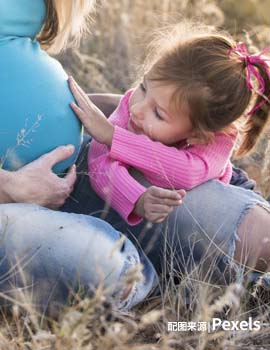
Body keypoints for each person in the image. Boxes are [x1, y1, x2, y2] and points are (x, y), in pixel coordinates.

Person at [62, 22, 270, 283]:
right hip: (164, 203)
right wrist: (135, 197)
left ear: (197, 134)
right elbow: (99, 162)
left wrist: (115, 137)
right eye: (144, 87)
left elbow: (186, 172)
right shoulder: (133, 107)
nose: (137, 110)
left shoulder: (218, 139)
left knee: (248, 252)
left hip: (225, 188)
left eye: (158, 113)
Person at [0, 0, 158, 314]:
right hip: (11, 201)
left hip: (75, 169)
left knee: (210, 216)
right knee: (108, 270)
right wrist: (9, 186)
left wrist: (111, 119)